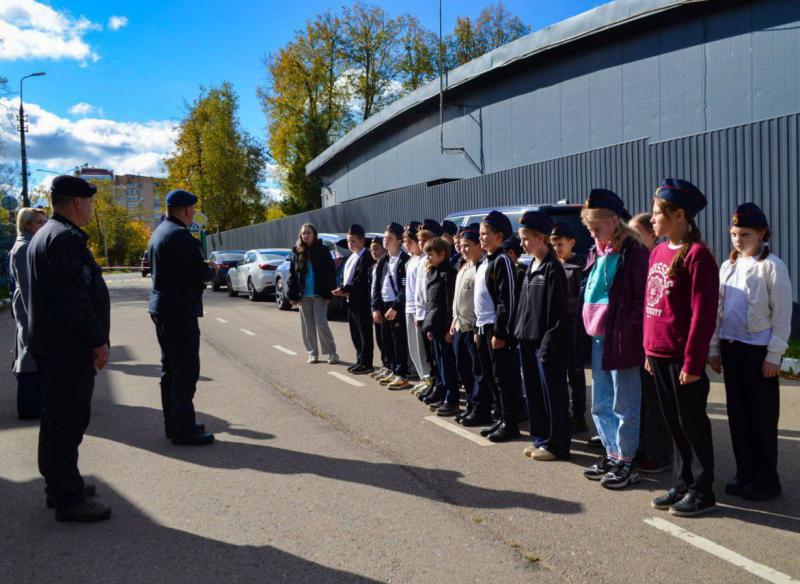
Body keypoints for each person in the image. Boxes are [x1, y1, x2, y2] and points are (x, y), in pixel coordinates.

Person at [27, 175, 111, 521]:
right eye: (89, 201)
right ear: (76, 202)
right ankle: (68, 497)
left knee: (56, 418)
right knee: (68, 420)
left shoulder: (46, 235)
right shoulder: (63, 239)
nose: (91, 207)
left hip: (53, 345)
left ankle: (60, 483)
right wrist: (96, 340)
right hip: (67, 348)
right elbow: (74, 301)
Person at [645, 179, 719, 517]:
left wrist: (692, 362)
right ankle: (681, 483)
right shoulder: (658, 252)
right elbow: (652, 303)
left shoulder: (698, 256)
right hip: (657, 354)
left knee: (692, 424)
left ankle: (703, 491)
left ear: (679, 215)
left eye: (658, 213)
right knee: (673, 423)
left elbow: (702, 317)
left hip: (681, 359)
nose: (652, 220)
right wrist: (648, 350)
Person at [708, 203, 792, 502]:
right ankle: (744, 472)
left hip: (758, 352)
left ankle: (766, 478)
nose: (738, 239)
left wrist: (774, 355)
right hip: (732, 348)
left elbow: (781, 315)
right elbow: (719, 311)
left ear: (762, 234)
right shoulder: (728, 266)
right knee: (739, 415)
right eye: (733, 234)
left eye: (744, 234)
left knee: (761, 417)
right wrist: (714, 348)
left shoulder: (772, 266)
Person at [580, 189, 649, 489]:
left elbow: (639, 298)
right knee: (601, 401)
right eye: (590, 228)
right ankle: (611, 453)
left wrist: (633, 333)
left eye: (596, 227)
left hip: (622, 336)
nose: (592, 233)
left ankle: (626, 461)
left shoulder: (633, 251)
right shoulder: (597, 249)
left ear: (613, 221)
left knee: (625, 402)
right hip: (599, 335)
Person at [148, 189, 218, 447]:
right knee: (185, 370)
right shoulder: (179, 236)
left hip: (164, 308)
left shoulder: (160, 232)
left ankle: (176, 423)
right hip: (178, 311)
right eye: (193, 209)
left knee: (171, 370)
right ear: (187, 210)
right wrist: (211, 270)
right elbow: (197, 272)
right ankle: (183, 430)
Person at [516, 211, 570, 461]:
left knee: (553, 394)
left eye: (526, 238)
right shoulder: (531, 266)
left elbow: (558, 312)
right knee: (535, 392)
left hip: (546, 343)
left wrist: (548, 342)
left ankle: (557, 444)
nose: (522, 243)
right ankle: (541, 437)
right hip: (528, 340)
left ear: (541, 238)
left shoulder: (552, 268)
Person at [627, 213, 674, 474]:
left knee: (657, 401)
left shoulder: (656, 259)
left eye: (637, 234)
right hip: (642, 341)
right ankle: (644, 446)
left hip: (657, 342)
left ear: (652, 234)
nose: (632, 239)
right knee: (642, 399)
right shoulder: (641, 258)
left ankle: (660, 453)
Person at [475, 211, 521, 442]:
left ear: (499, 236)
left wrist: (501, 332)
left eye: (486, 234)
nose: (481, 238)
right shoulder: (484, 261)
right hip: (483, 327)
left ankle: (510, 423)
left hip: (496, 329)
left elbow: (507, 300)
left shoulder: (502, 260)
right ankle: (500, 418)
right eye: (480, 234)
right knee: (490, 376)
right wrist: (477, 328)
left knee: (503, 378)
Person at [451, 224, 493, 426]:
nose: (463, 249)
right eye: (461, 245)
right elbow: (458, 298)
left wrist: (477, 326)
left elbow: (482, 301)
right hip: (460, 326)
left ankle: (481, 409)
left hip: (473, 328)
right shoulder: (464, 266)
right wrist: (454, 319)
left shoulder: (481, 267)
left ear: (478, 245)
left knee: (479, 372)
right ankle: (471, 404)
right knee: (463, 369)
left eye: (468, 245)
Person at [550, 223, 588, 434]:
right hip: (556, 329)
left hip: (573, 330)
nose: (557, 248)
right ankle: (562, 413)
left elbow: (579, 300)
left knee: (575, 376)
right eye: (553, 244)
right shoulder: (554, 264)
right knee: (559, 375)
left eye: (560, 244)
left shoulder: (579, 266)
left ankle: (578, 417)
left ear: (572, 242)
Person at [9, 207, 47, 420]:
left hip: (26, 304)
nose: (43, 225)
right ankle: (29, 407)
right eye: (39, 222)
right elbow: (27, 285)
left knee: (29, 352)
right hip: (27, 305)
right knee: (29, 354)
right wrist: (35, 316)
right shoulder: (24, 248)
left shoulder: (28, 244)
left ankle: (32, 403)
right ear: (27, 225)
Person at [287, 224, 339, 365]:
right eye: (303, 233)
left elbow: (330, 273)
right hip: (304, 295)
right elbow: (292, 275)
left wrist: (329, 294)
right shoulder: (297, 252)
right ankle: (312, 353)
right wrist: (292, 295)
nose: (306, 236)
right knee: (307, 326)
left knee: (321, 324)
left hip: (319, 294)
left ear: (314, 234)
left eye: (308, 233)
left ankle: (332, 353)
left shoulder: (322, 250)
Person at [371, 223, 411, 389]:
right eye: (385, 237)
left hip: (397, 306)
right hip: (384, 304)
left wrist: (395, 306)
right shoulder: (383, 261)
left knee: (398, 341)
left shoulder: (404, 261)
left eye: (390, 238)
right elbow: (376, 286)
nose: (385, 241)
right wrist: (375, 307)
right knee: (385, 339)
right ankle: (391, 367)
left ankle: (401, 373)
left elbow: (405, 287)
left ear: (399, 240)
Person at [333, 224, 375, 374]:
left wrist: (345, 290)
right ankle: (360, 360)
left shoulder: (367, 256)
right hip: (351, 300)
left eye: (353, 241)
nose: (350, 244)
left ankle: (367, 362)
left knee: (364, 332)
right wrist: (341, 287)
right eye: (349, 241)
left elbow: (361, 280)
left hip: (362, 300)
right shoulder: (352, 256)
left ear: (362, 240)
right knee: (355, 332)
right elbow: (346, 278)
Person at [402, 222, 431, 391]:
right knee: (413, 348)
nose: (407, 245)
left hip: (420, 310)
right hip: (409, 308)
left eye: (409, 241)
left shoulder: (424, 259)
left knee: (422, 350)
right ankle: (422, 377)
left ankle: (427, 379)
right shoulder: (411, 260)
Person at [368, 238, 390, 379]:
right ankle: (385, 364)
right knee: (380, 339)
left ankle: (390, 365)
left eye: (376, 248)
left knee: (387, 340)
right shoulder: (373, 266)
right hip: (375, 306)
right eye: (371, 249)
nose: (373, 252)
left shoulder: (387, 264)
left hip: (384, 306)